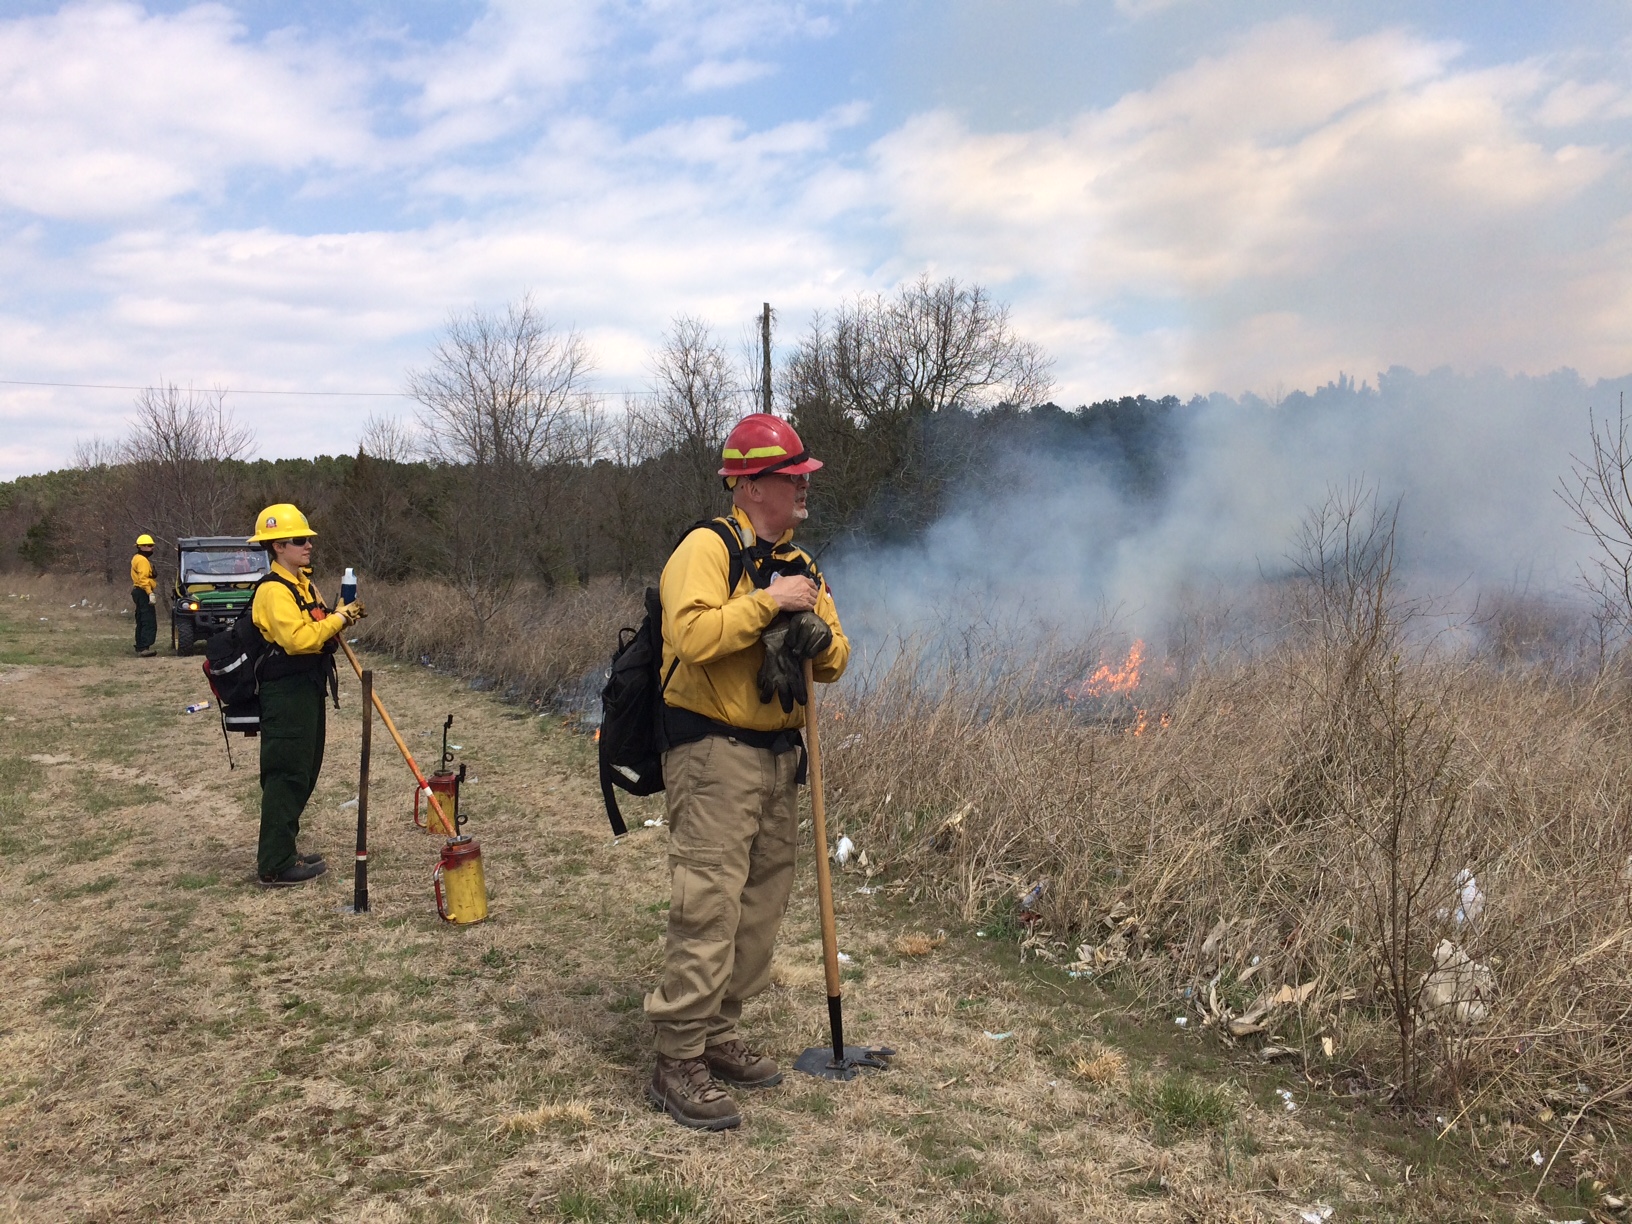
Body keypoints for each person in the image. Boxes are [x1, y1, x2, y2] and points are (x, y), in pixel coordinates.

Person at [644, 413, 850, 1131]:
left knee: (760, 906)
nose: (802, 489)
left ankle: (719, 1033)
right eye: (792, 478)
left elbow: (837, 657)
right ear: (752, 483)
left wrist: (818, 638)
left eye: (802, 477)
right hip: (711, 754)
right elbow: (691, 635)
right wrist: (768, 604)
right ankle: (678, 1056)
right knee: (709, 902)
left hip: (778, 758)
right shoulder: (706, 547)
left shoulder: (802, 563)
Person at [245, 503, 365, 887]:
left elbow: (317, 626)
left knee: (305, 770)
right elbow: (296, 640)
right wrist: (338, 619)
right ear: (278, 546)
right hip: (285, 693)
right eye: (300, 540)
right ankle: (275, 865)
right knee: (286, 774)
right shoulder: (273, 591)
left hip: (307, 688)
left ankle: (284, 848)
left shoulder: (302, 584)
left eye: (309, 539)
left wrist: (338, 615)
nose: (308, 545)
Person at [130, 533, 158, 657]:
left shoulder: (137, 558)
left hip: (138, 591)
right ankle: (144, 648)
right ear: (141, 547)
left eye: (152, 545)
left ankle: (140, 646)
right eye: (149, 545)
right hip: (143, 592)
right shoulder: (142, 560)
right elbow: (143, 579)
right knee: (148, 620)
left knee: (141, 619)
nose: (152, 548)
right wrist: (149, 592)